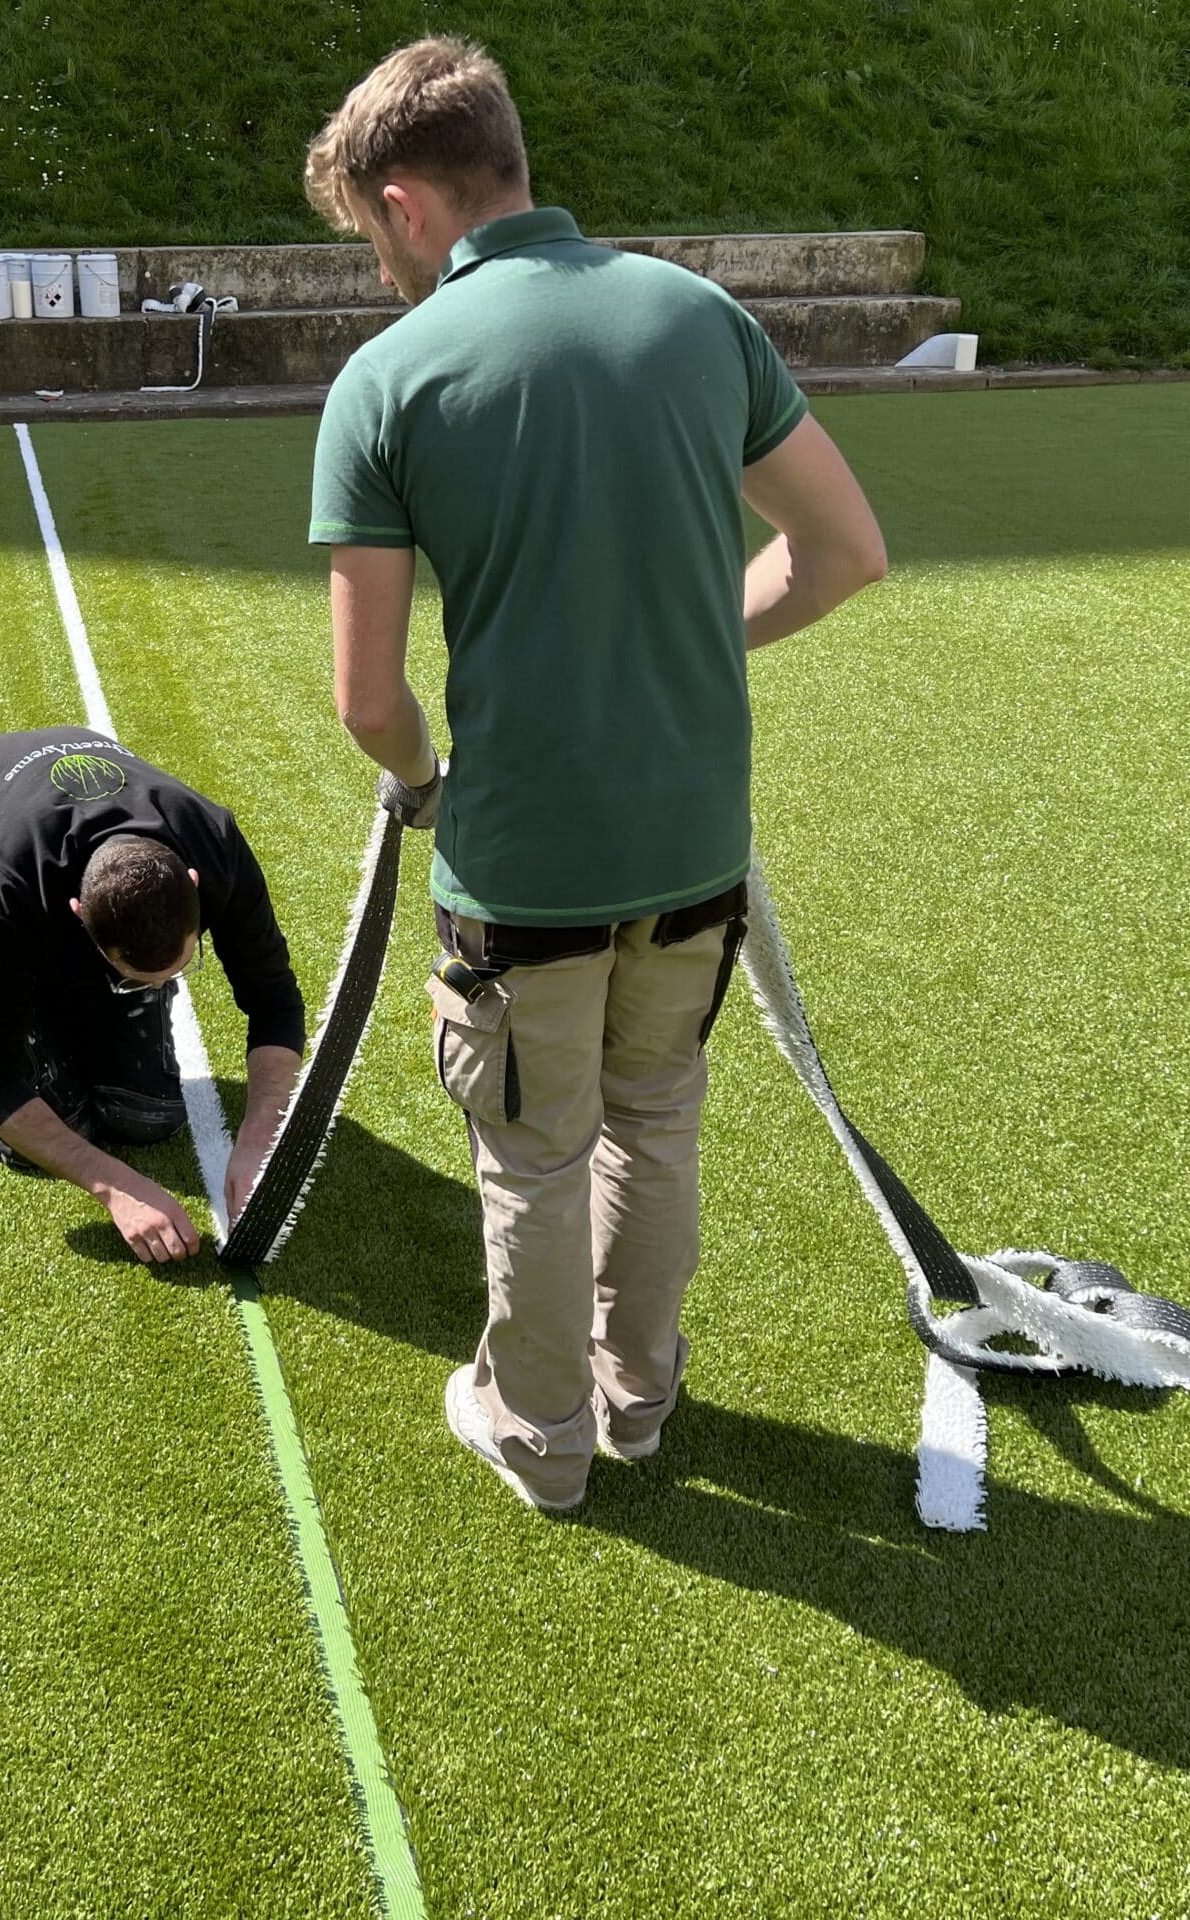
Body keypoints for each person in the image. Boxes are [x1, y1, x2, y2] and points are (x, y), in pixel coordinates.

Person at [303, 39, 891, 1511]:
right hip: (692, 844)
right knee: (656, 1125)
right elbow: (845, 555)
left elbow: (368, 702)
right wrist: (690, 646)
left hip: (523, 865)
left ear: (405, 203)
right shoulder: (699, 319)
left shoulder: (388, 381)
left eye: (368, 232)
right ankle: (640, 1401)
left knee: (535, 1158)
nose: (376, 262)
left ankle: (544, 1438)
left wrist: (426, 775)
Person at [0, 726, 305, 1264]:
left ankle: (55, 992)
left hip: (59, 882)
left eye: (175, 970)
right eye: (136, 978)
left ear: (194, 883)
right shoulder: (7, 888)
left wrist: (256, 1142)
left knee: (148, 1116)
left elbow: (276, 1003)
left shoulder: (215, 840)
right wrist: (116, 1189)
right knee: (47, 1130)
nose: (160, 991)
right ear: (81, 916)